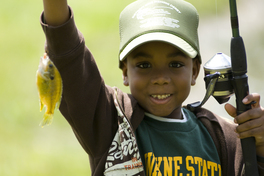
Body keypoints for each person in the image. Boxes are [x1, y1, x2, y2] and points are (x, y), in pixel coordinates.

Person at [40, 0, 264, 175]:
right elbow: (67, 53)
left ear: (195, 71)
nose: (160, 78)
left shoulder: (224, 137)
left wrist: (260, 145)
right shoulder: (111, 122)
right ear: (125, 72)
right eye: (144, 65)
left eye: (175, 64)